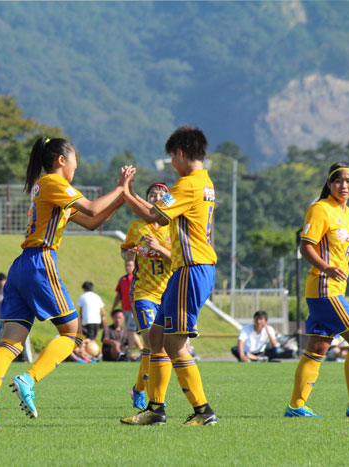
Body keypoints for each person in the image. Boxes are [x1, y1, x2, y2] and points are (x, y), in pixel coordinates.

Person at [0, 135, 132, 428]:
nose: (75, 169)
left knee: (10, 343)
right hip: (40, 262)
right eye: (75, 163)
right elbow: (93, 208)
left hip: (21, 266)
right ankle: (28, 379)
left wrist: (123, 197)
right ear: (61, 160)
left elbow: (92, 222)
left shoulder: (45, 188)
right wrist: (120, 188)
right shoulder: (54, 183)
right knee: (73, 334)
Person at [121, 126, 218, 426]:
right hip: (186, 269)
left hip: (191, 268)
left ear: (180, 153)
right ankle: (155, 409)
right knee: (156, 337)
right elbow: (160, 214)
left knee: (175, 345)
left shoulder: (188, 184)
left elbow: (153, 216)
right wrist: (131, 193)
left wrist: (125, 192)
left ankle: (203, 411)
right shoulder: (205, 182)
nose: (172, 164)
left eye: (172, 158)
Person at [285, 162, 349, 418]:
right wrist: (326, 267)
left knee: (317, 348)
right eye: (338, 181)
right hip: (324, 288)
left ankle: (296, 407)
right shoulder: (320, 209)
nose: (344, 185)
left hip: (332, 289)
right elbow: (305, 246)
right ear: (329, 184)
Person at [117, 182, 174, 423]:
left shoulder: (174, 226)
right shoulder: (137, 226)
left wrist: (158, 248)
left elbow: (179, 259)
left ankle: (139, 388)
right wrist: (128, 254)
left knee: (159, 347)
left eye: (161, 195)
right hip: (143, 294)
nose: (156, 197)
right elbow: (125, 250)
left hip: (168, 294)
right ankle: (154, 401)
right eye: (152, 194)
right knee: (152, 342)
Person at [111, 260, 141, 353]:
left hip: (134, 308)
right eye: (126, 265)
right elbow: (119, 294)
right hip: (125, 309)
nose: (127, 267)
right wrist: (113, 307)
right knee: (129, 330)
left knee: (130, 329)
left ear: (134, 266)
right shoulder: (122, 279)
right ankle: (142, 350)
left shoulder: (138, 278)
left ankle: (129, 351)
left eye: (129, 265)